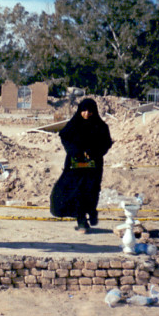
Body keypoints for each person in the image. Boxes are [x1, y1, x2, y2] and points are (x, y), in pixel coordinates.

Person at [50, 98, 113, 234]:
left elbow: (106, 143)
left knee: (90, 190)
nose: (86, 114)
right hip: (75, 165)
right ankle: (81, 219)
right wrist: (75, 152)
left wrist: (93, 152)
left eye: (90, 111)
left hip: (93, 166)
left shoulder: (101, 126)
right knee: (74, 190)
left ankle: (89, 214)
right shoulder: (74, 125)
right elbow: (65, 138)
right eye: (84, 111)